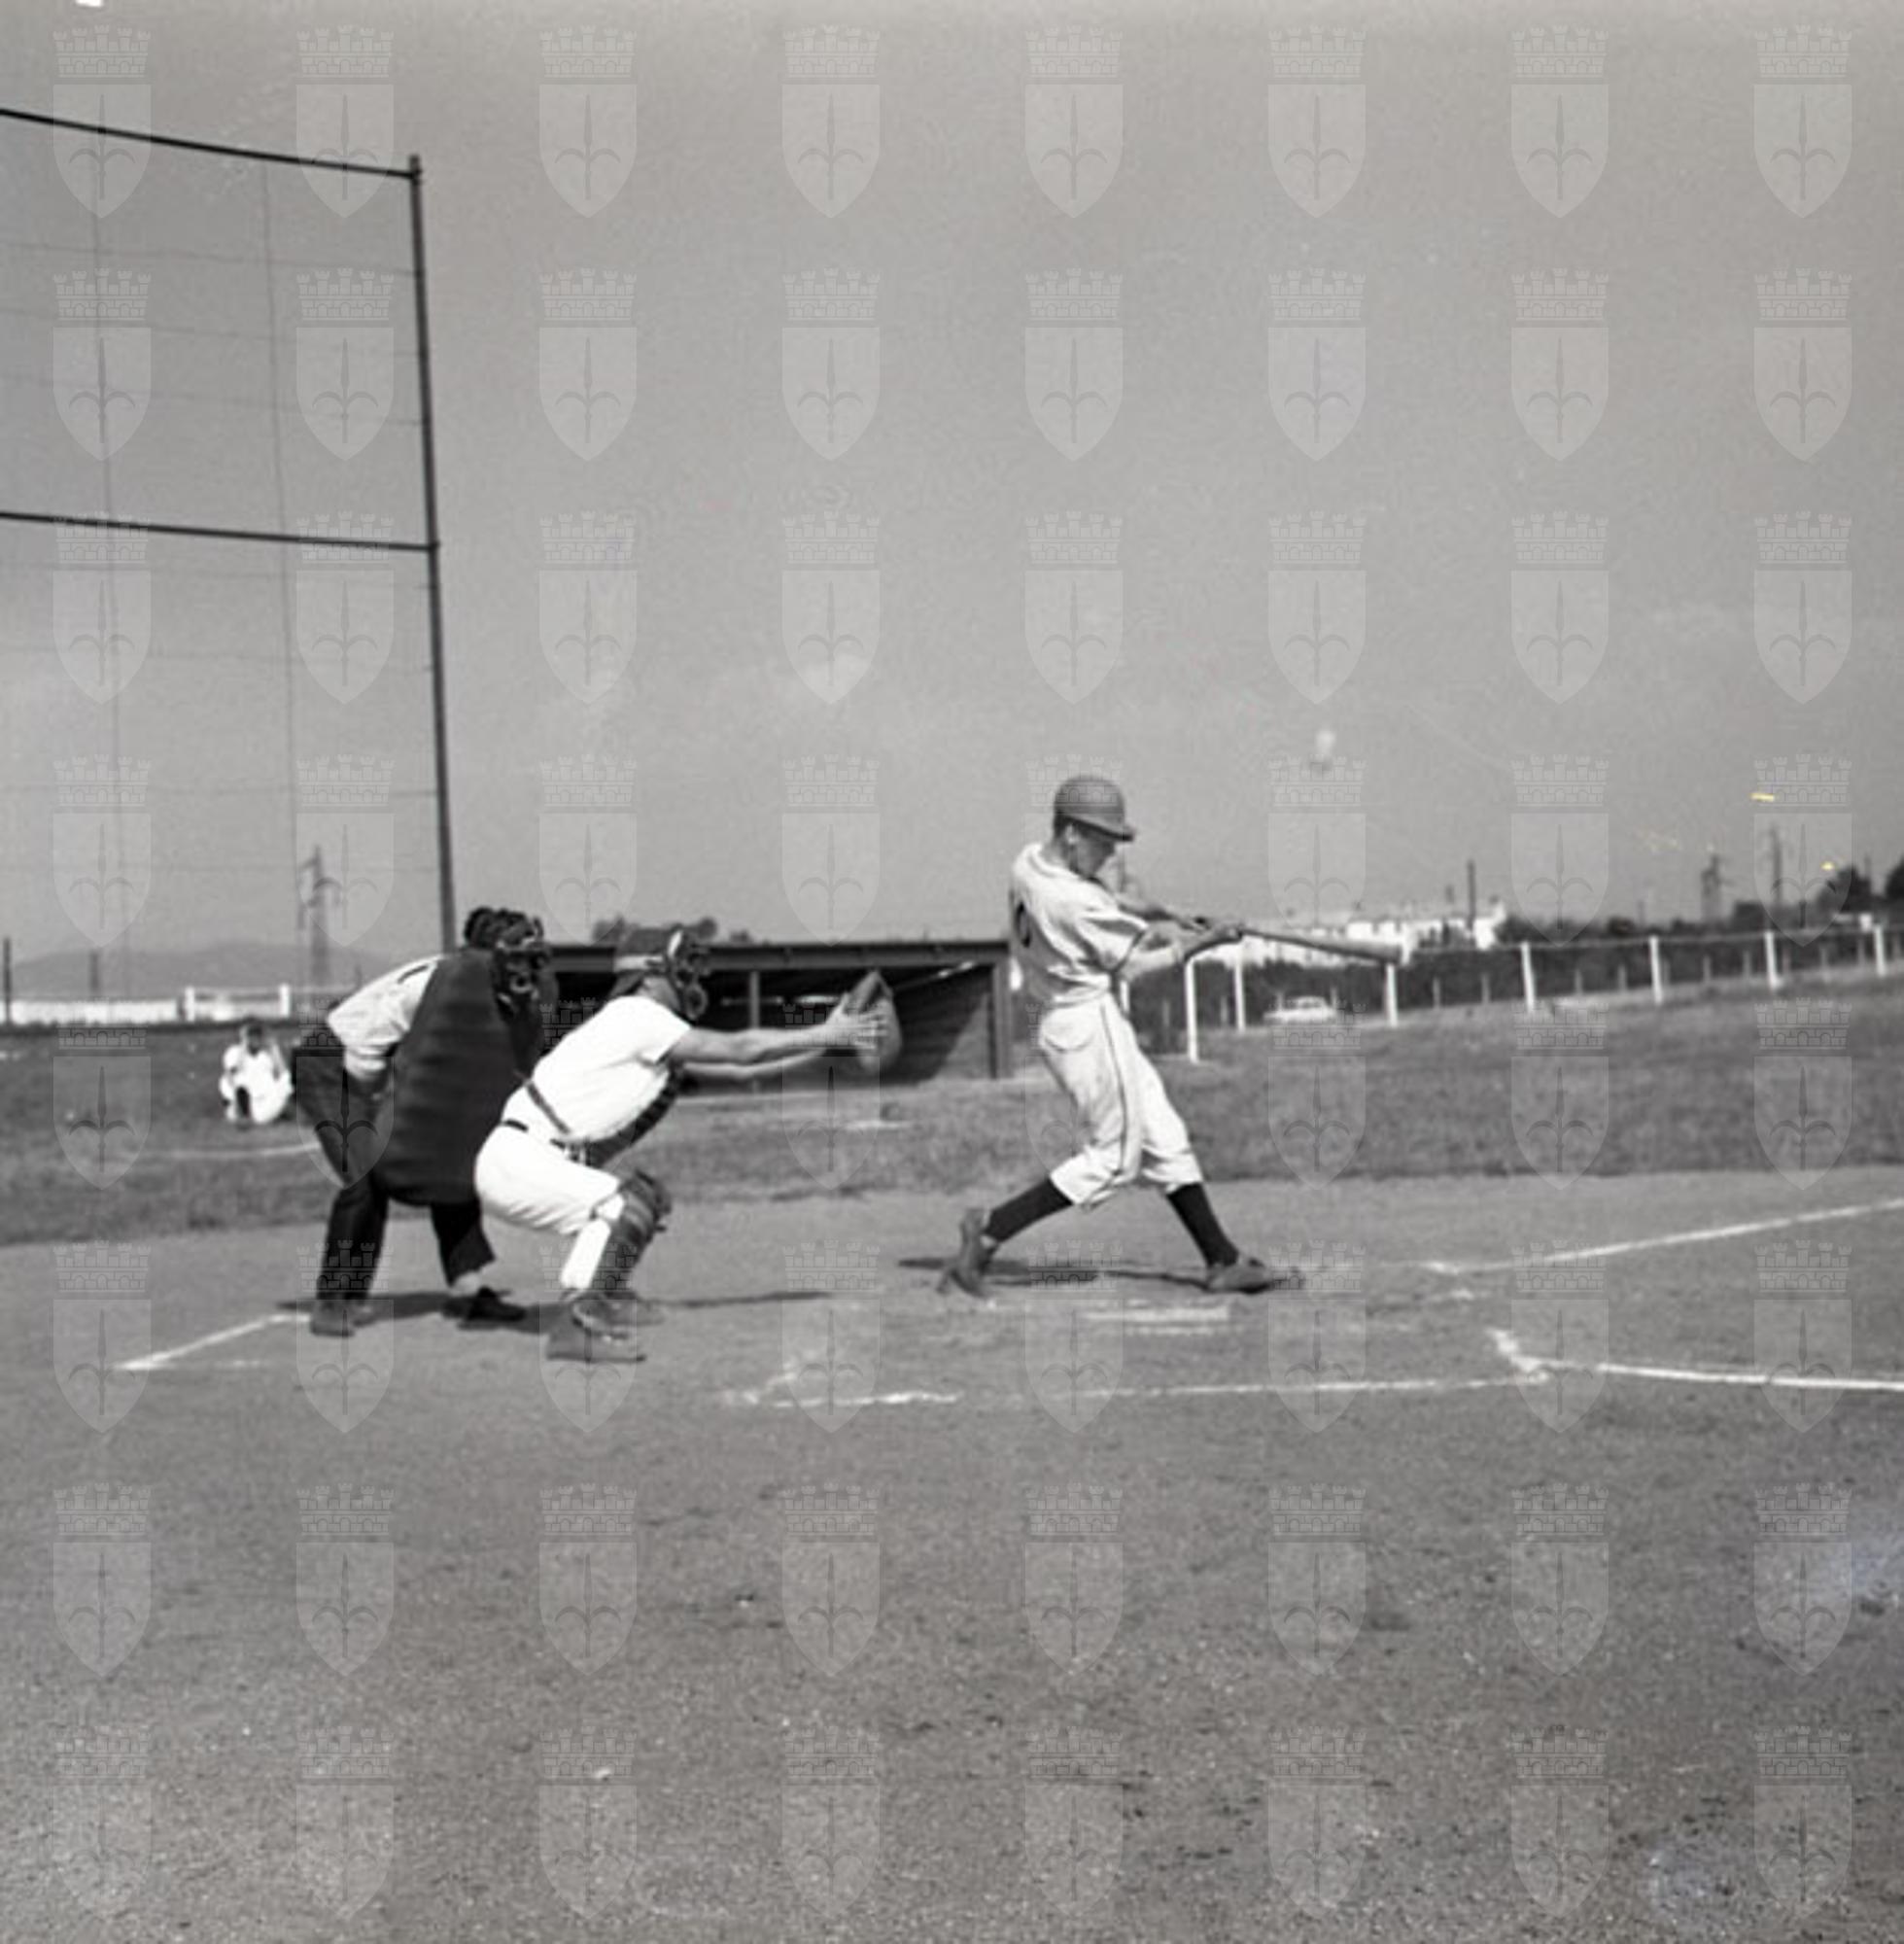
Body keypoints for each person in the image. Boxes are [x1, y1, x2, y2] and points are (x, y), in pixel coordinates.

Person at [939, 774, 1299, 1301]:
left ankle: (1221, 1259)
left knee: (1164, 1135)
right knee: (1114, 1160)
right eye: (1103, 840)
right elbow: (1135, 967)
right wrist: (1206, 943)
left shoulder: (1029, 863)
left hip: (1063, 1019)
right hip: (1088, 1027)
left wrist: (1167, 913)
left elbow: (1109, 898)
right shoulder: (1073, 902)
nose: (1111, 851)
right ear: (1070, 834)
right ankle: (991, 1228)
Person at [474, 927, 888, 1343]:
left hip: (529, 1159)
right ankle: (579, 1320)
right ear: (648, 977)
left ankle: (602, 1296)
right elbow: (741, 1048)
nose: (689, 980)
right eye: (680, 970)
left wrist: (823, 1050)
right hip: (521, 1161)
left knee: (644, 1198)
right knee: (624, 1205)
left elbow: (740, 1070)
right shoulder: (638, 1015)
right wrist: (825, 1032)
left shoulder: (641, 1026)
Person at [292, 909, 554, 1336]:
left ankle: (467, 1289)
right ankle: (335, 1298)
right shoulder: (437, 985)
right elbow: (387, 1057)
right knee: (364, 1176)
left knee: (455, 1158)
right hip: (330, 1064)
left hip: (372, 1069)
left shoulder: (486, 989)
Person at [220, 1019, 292, 1126]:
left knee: (287, 1080)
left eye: (257, 1036)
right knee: (238, 1086)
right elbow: (233, 1073)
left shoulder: (265, 1056)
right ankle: (242, 1115)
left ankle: (280, 1113)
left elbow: (283, 1074)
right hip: (247, 1100)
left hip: (265, 1100)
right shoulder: (234, 1052)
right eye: (251, 1036)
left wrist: (274, 1048)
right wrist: (244, 1046)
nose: (254, 1039)